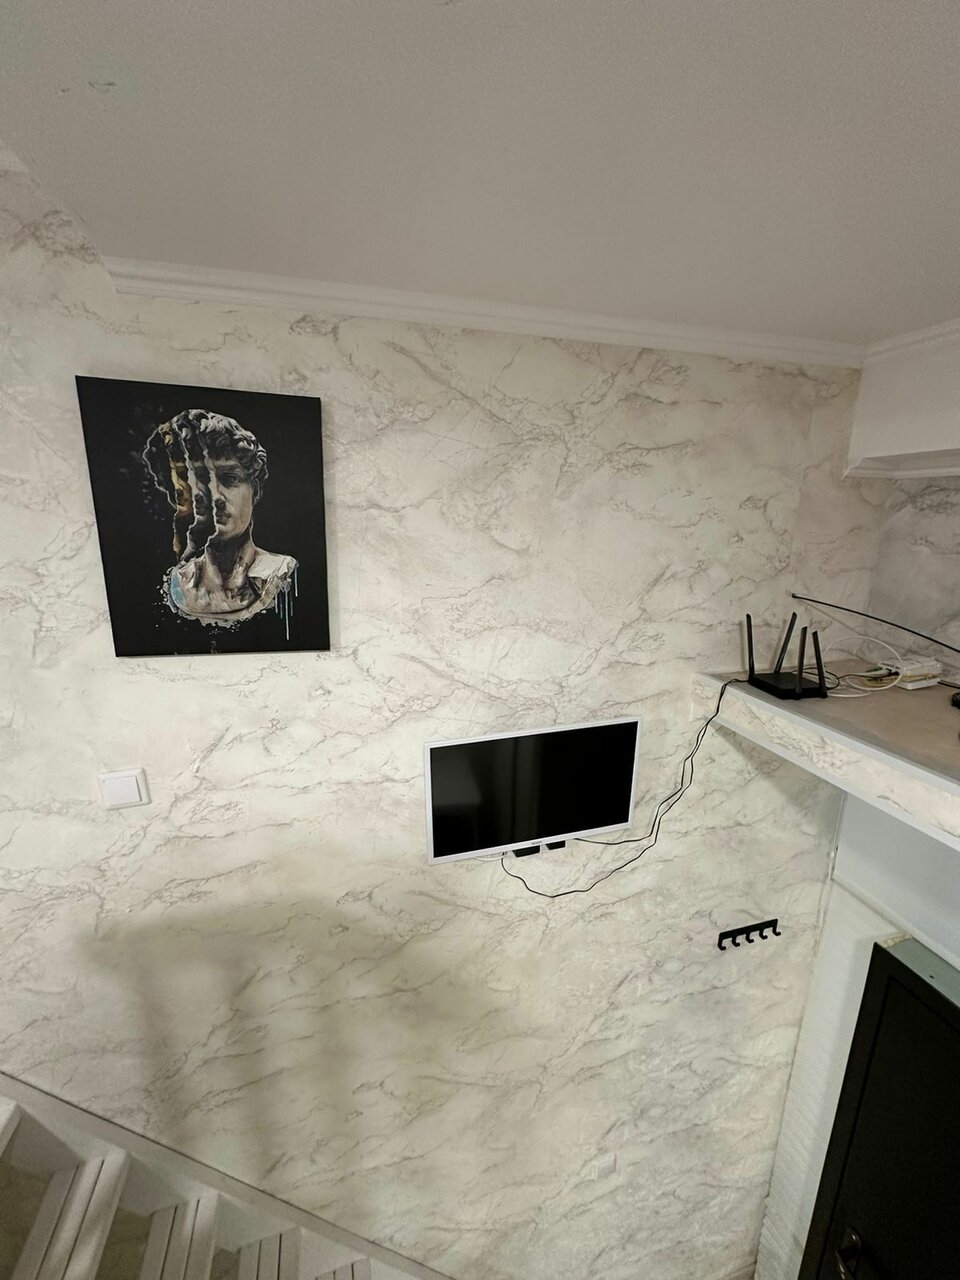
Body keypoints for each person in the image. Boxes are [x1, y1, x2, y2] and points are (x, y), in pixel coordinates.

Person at [143, 409, 297, 628]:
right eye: (200, 480)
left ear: (255, 489)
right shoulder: (178, 583)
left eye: (230, 478)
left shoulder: (283, 572)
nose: (215, 497)